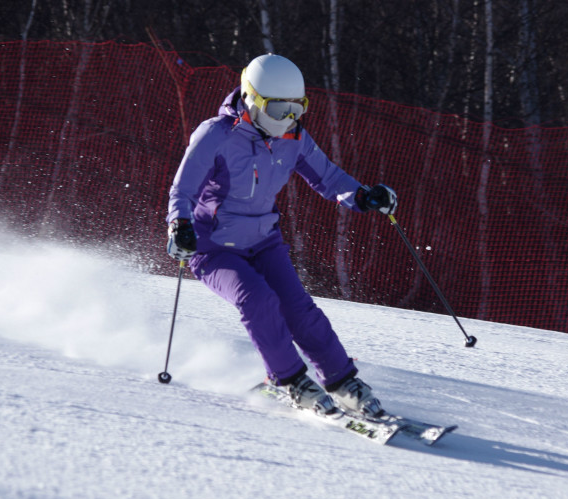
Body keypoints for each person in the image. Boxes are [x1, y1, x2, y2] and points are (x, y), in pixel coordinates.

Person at [166, 53, 397, 417]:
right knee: (257, 300)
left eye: (296, 109)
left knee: (299, 309)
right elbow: (183, 190)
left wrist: (364, 196)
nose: (288, 119)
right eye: (278, 110)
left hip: (263, 241)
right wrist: (179, 225)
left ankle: (342, 381)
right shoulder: (215, 135)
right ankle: (288, 380)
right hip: (213, 248)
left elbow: (330, 178)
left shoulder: (294, 137)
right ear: (252, 100)